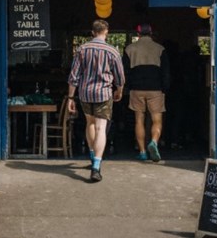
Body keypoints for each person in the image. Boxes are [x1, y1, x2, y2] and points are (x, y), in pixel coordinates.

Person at [67, 19, 125, 182]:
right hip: (104, 94)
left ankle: (92, 155)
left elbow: (74, 76)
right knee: (101, 128)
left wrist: (71, 97)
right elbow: (120, 76)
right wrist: (119, 90)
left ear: (92, 32)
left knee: (90, 124)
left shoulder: (82, 49)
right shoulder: (112, 51)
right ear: (106, 32)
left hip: (85, 93)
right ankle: (96, 166)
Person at [123, 23, 169, 162]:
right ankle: (154, 142)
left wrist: (128, 87)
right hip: (155, 89)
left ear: (138, 34)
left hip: (137, 89)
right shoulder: (160, 49)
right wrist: (164, 88)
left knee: (139, 120)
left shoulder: (130, 49)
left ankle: (142, 151)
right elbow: (166, 72)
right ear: (151, 33)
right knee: (157, 120)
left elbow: (124, 71)